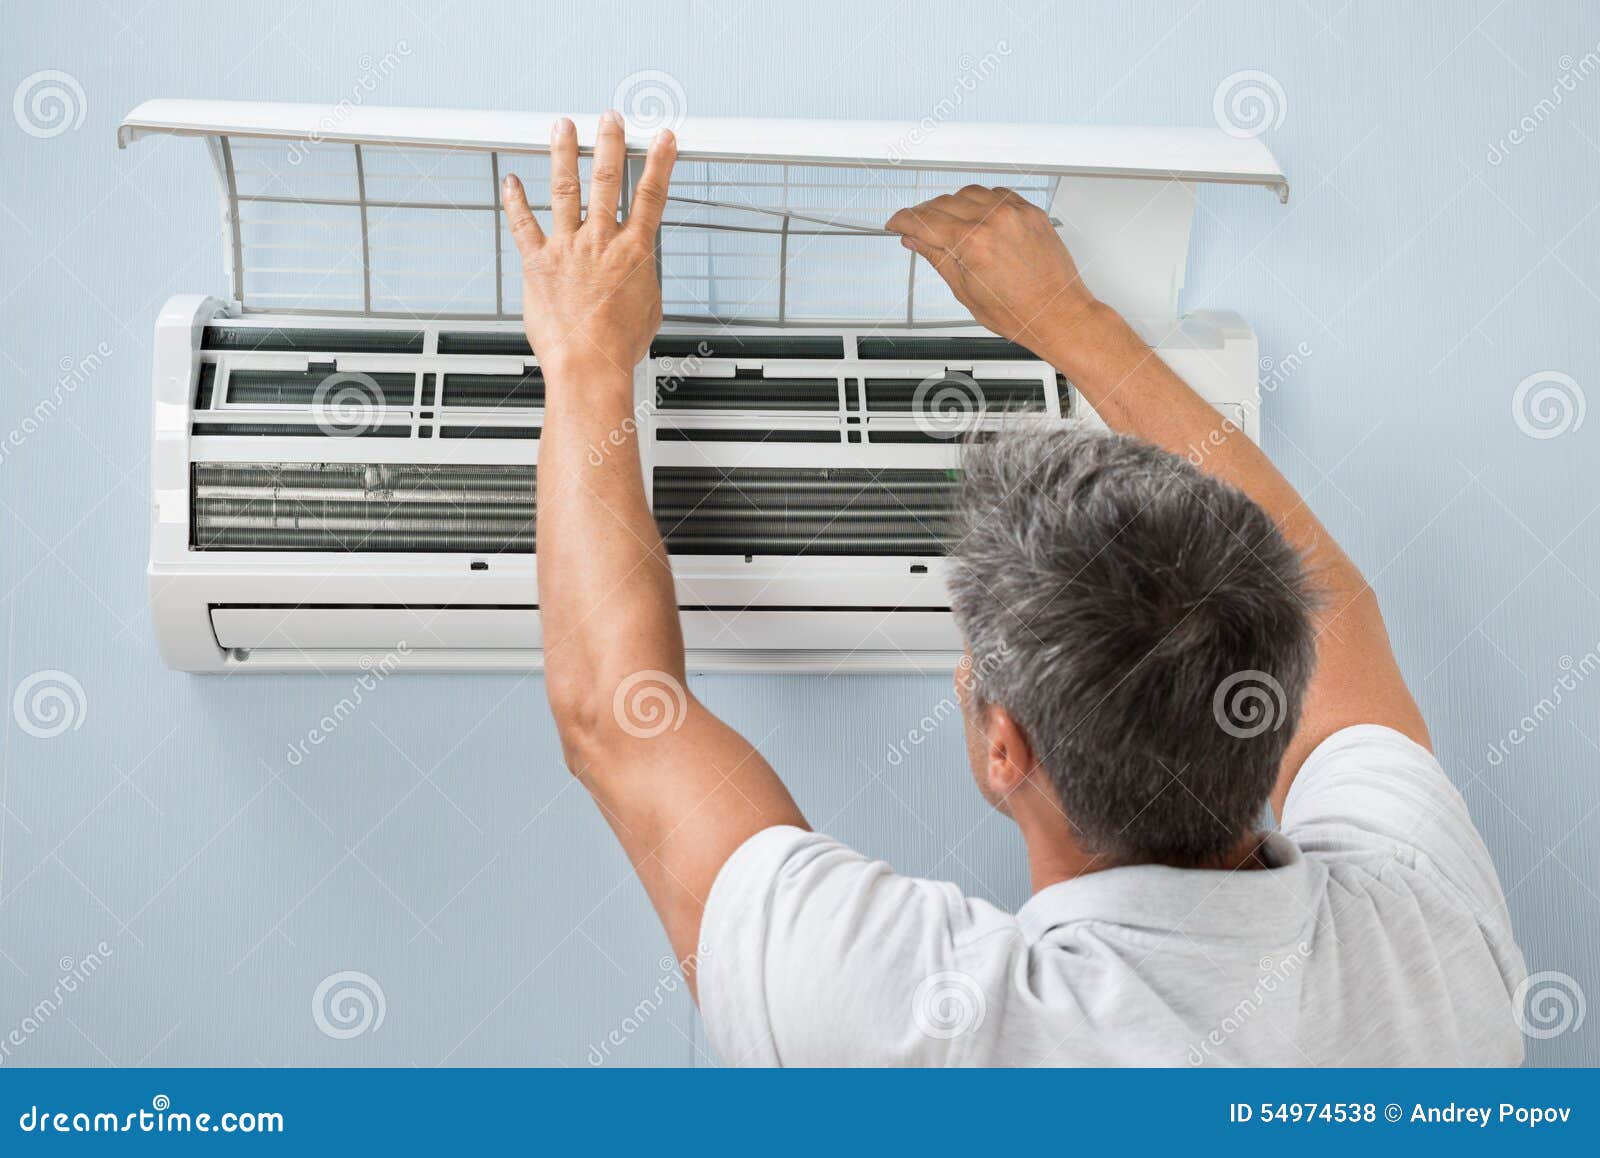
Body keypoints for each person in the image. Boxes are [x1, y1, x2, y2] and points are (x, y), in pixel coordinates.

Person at [499, 111, 1526, 1066]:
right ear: (1271, 699)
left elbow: (616, 718)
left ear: (1005, 747)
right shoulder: (1430, 935)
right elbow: (1335, 614)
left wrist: (587, 360)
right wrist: (1072, 319)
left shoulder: (924, 1024)